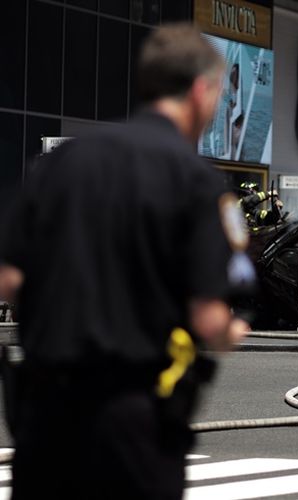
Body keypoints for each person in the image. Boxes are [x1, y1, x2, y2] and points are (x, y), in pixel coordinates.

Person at [0, 23, 252, 499]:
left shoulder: (62, 164)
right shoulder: (196, 181)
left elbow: (10, 279)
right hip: (132, 426)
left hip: (44, 416)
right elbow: (211, 318)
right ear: (201, 90)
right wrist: (230, 331)